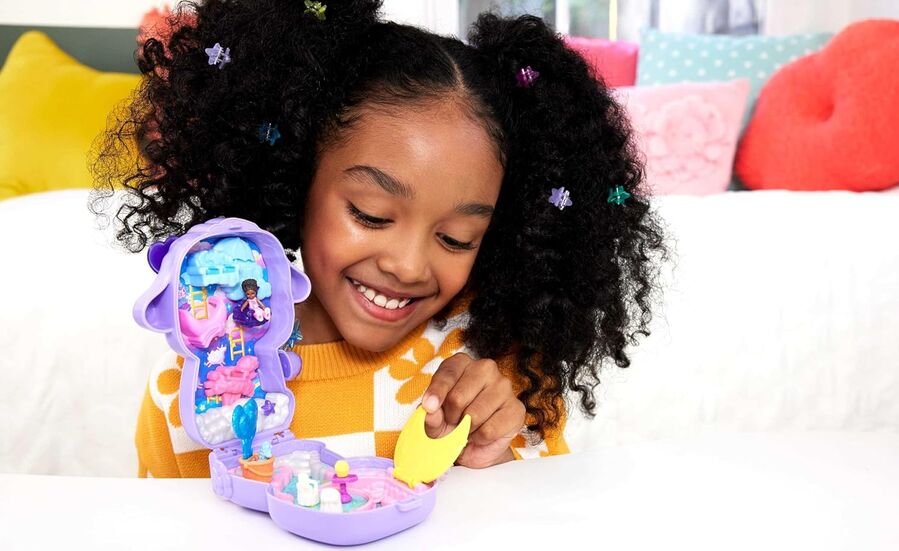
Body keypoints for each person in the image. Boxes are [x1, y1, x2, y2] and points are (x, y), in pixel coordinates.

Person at [92, 0, 666, 477]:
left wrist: (496, 458)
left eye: (457, 238)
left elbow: (547, 524)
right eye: (370, 214)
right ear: (295, 179)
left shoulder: (496, 372)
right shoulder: (195, 388)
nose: (409, 266)